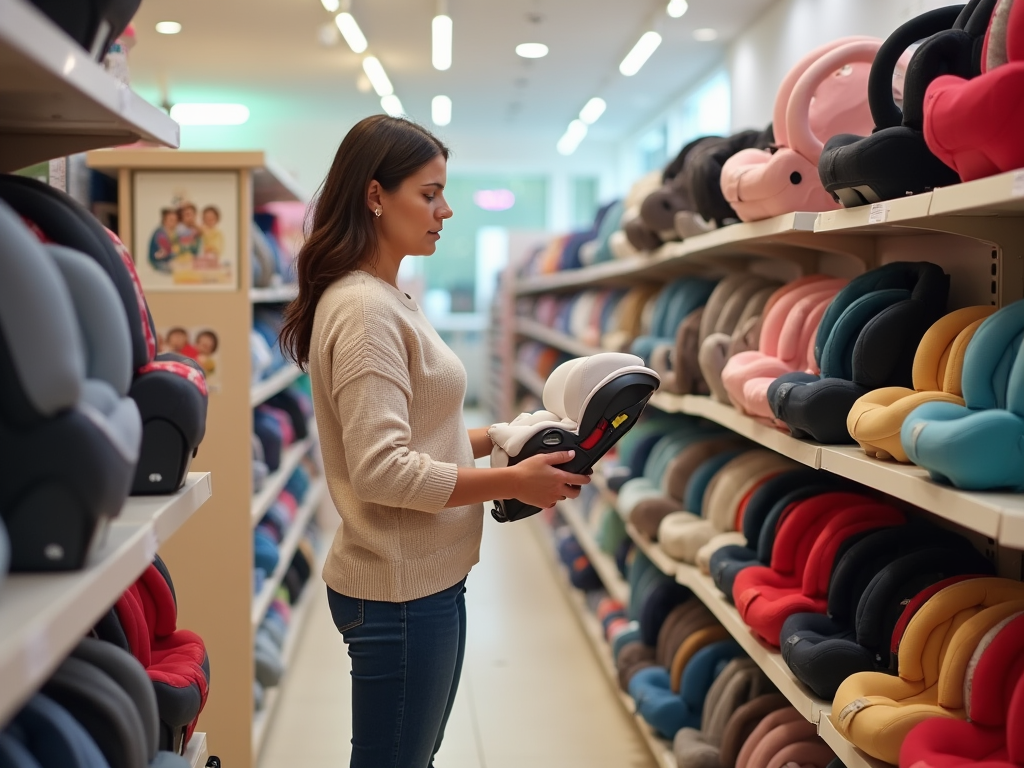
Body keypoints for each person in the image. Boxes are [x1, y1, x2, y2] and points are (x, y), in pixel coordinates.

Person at [279, 114, 590, 768]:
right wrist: (513, 481)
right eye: (429, 193)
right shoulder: (365, 311)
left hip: (419, 583)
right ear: (374, 196)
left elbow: (419, 434)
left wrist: (499, 438)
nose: (445, 209)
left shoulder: (387, 296)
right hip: (398, 594)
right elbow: (383, 472)